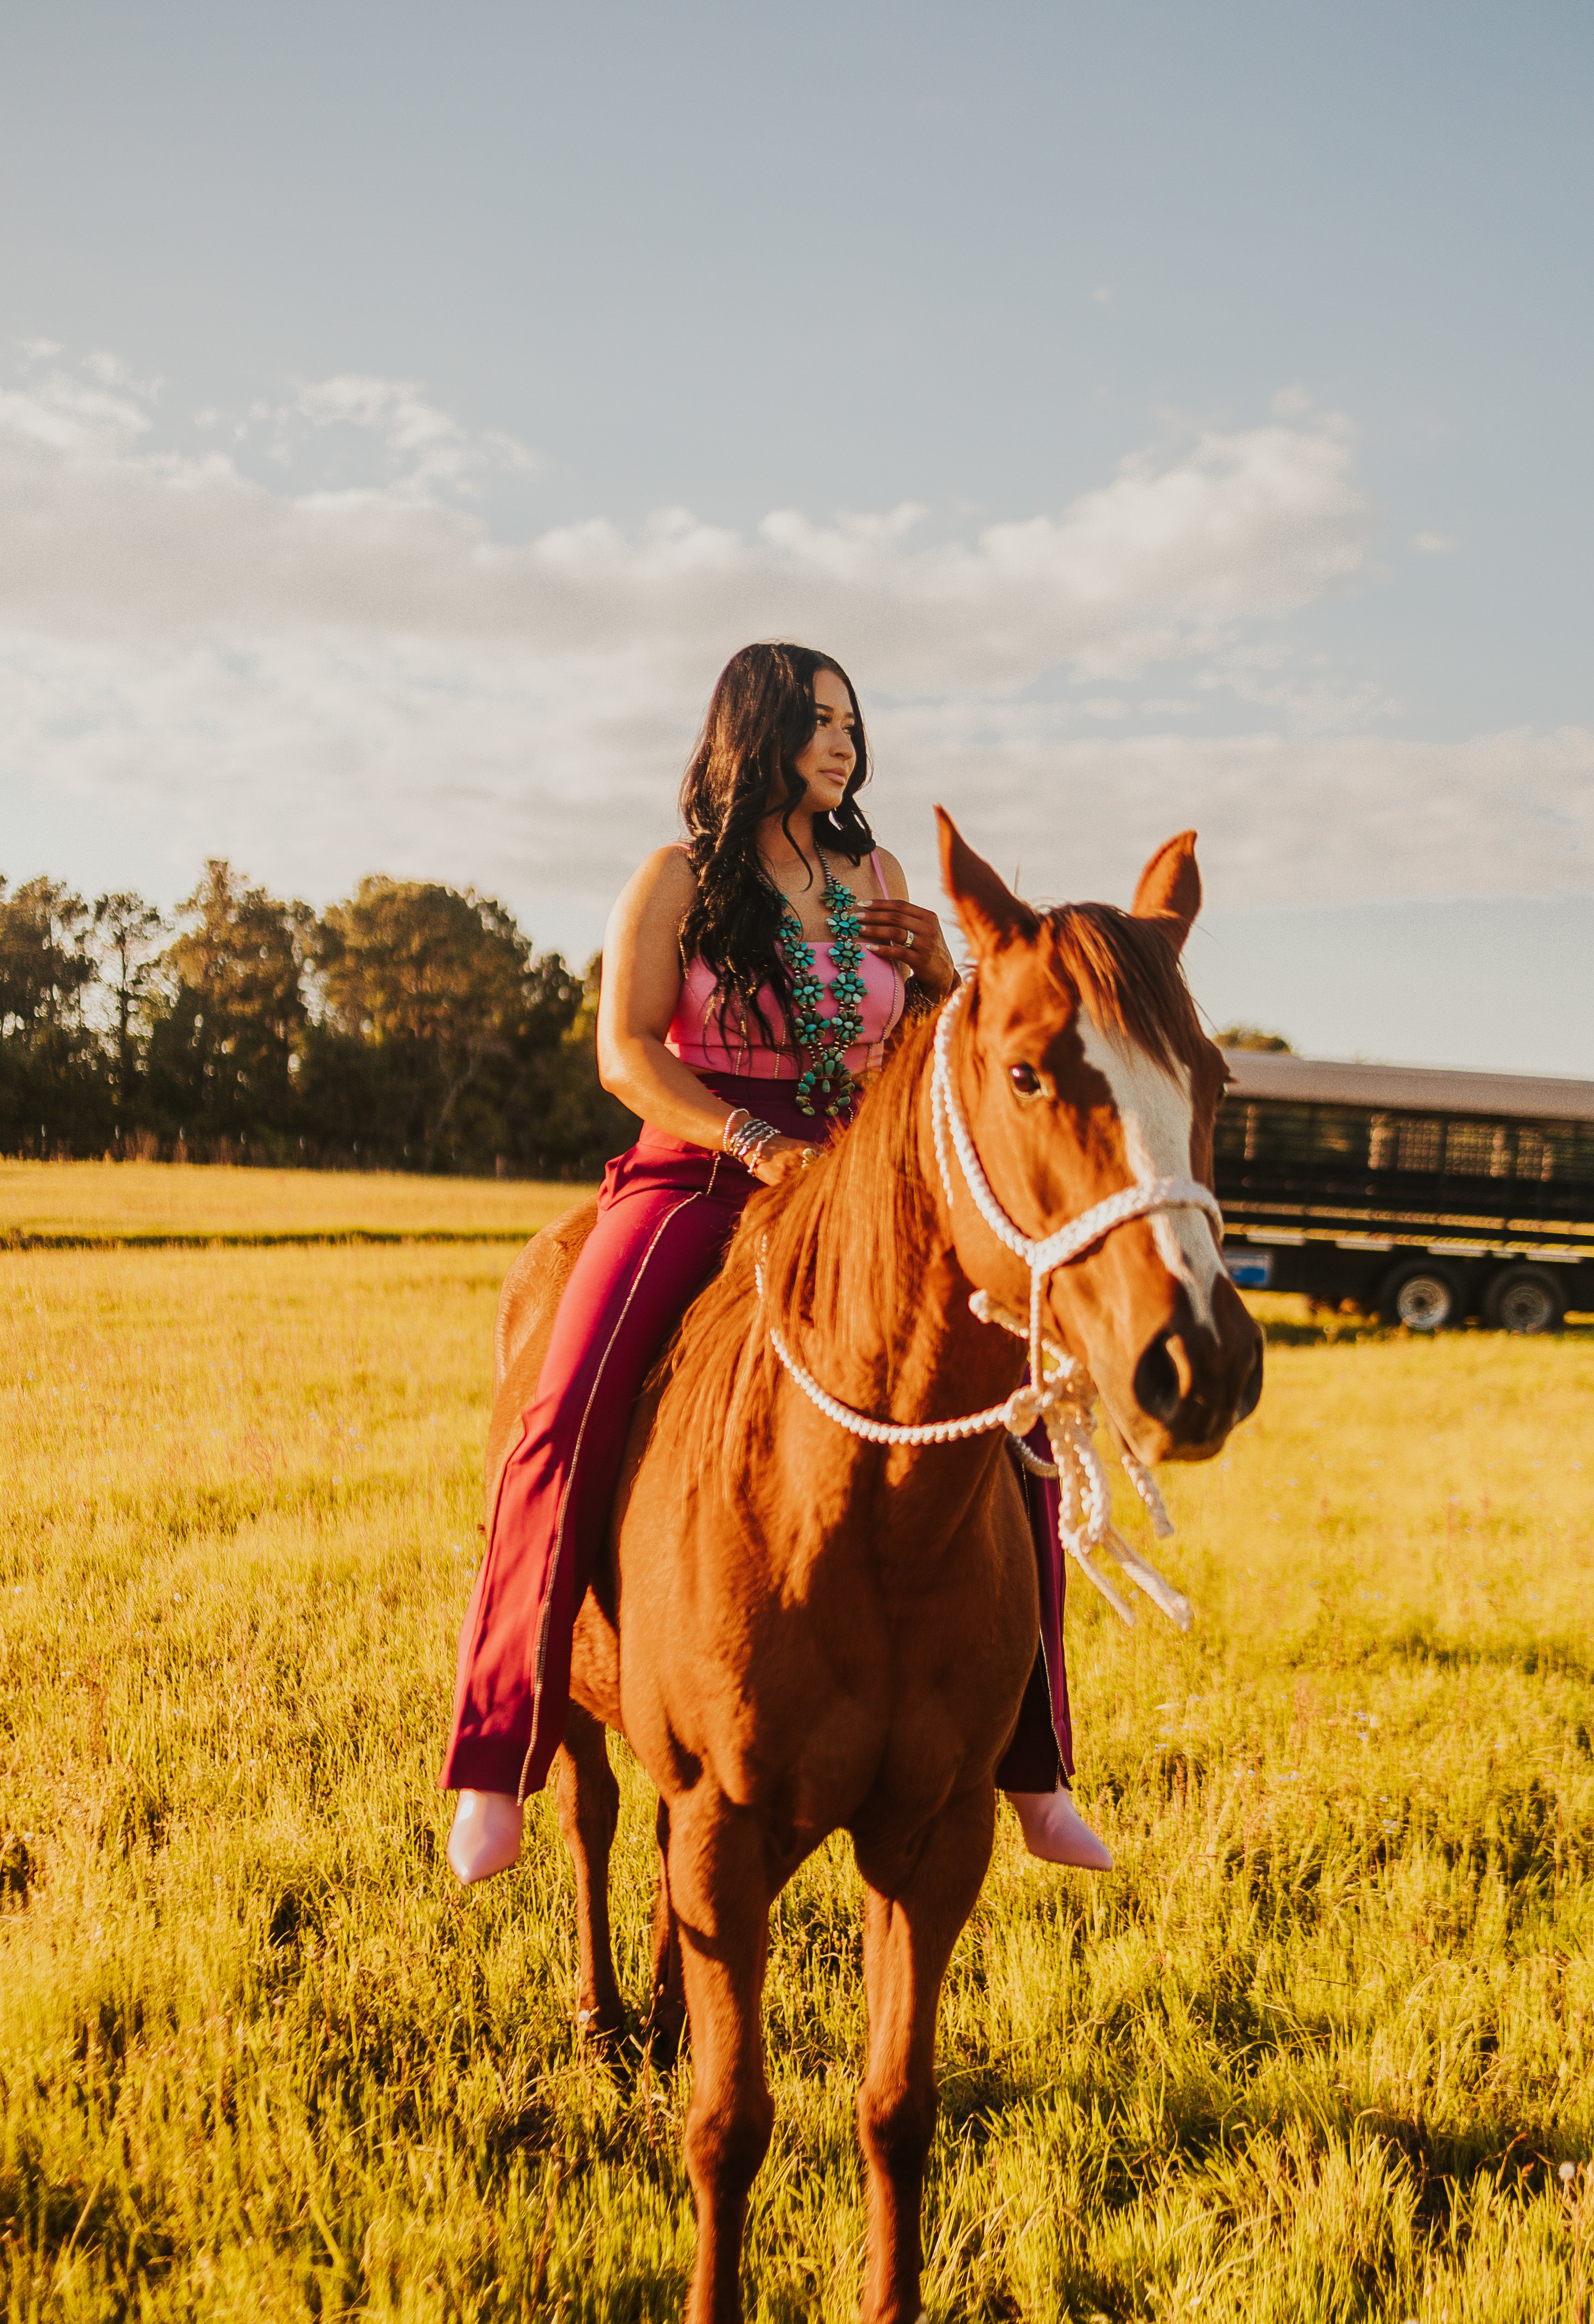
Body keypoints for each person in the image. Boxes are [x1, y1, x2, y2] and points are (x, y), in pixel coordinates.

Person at [439, 642, 1111, 1881]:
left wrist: (938, 977)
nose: (843, 744)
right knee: (564, 1408)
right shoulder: (677, 877)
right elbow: (629, 1053)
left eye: (852, 722)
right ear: (756, 730)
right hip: (696, 1168)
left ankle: (1035, 1769)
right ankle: (499, 1753)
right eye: (817, 722)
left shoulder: (881, 875)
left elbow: (937, 1052)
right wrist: (748, 1140)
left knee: (1013, 1422)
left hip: (861, 1182)